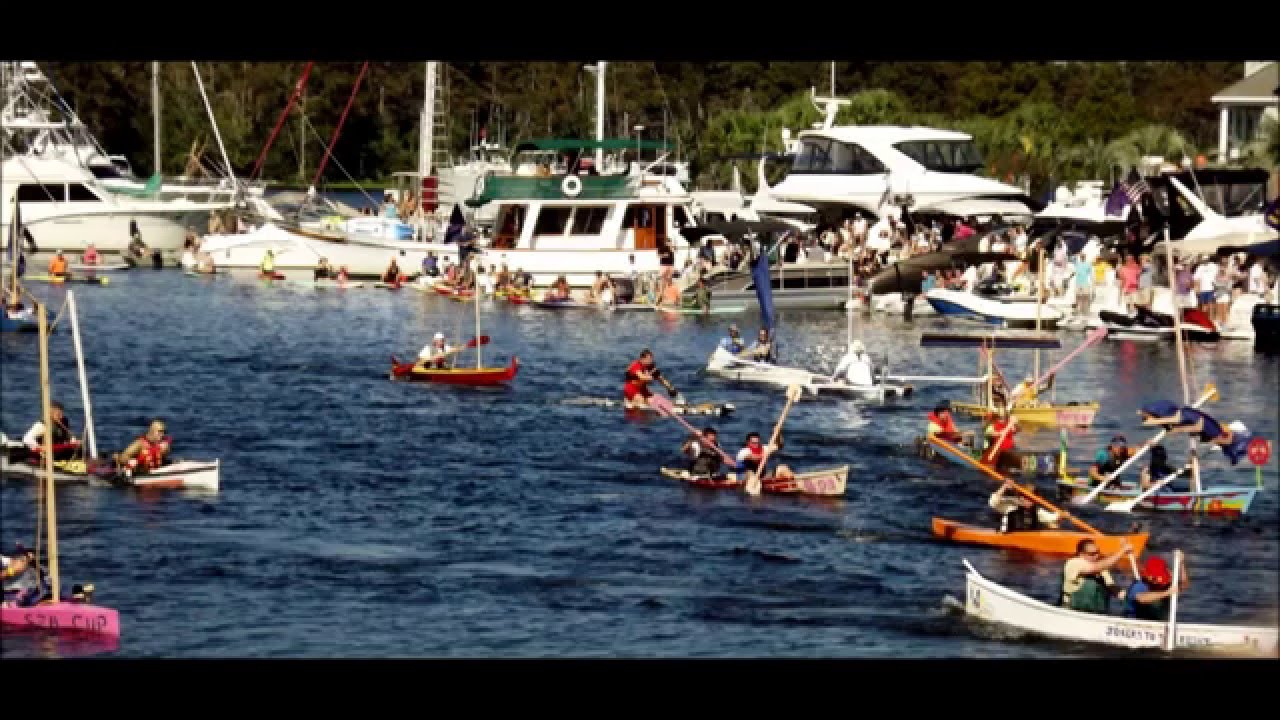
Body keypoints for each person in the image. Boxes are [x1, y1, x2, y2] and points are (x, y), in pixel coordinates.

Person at [1138, 401, 1253, 465]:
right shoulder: (1215, 433)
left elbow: (1197, 426)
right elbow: (1194, 425)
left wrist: (1176, 429)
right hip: (1202, 425)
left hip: (1204, 426)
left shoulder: (1215, 434)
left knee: (1231, 446)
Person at [1061, 538, 1131, 614]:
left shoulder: (1102, 569)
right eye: (1092, 554)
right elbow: (1094, 568)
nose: (1096, 556)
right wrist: (1122, 551)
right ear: (1081, 554)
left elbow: (1112, 587)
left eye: (1098, 553)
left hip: (1097, 612)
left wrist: (1129, 596)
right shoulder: (1074, 563)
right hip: (1073, 609)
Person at [1123, 554, 1189, 622]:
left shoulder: (1165, 585)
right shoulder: (1139, 586)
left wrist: (1181, 563)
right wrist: (1167, 592)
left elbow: (1183, 585)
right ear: (1149, 577)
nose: (1160, 582)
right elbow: (1142, 598)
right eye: (1156, 579)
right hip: (1135, 622)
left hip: (1158, 623)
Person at [989, 480, 1059, 533]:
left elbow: (1052, 517)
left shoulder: (1037, 510)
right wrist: (1004, 487)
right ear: (1021, 497)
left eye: (1031, 499)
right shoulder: (1011, 504)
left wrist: (1061, 515)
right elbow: (993, 502)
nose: (1028, 501)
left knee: (1053, 525)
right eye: (1026, 498)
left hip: (1026, 539)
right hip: (1006, 536)